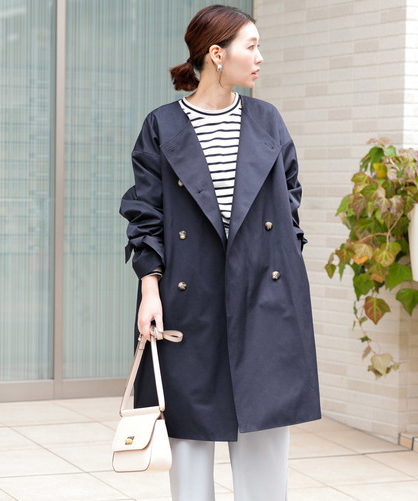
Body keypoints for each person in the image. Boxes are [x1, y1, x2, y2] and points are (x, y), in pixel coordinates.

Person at [120, 5, 321, 501]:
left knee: (265, 446)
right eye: (251, 46)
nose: (260, 57)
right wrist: (150, 289)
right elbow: (146, 214)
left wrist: (286, 256)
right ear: (216, 54)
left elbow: (289, 198)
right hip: (189, 297)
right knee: (189, 439)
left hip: (264, 296)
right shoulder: (163, 125)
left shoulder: (266, 120)